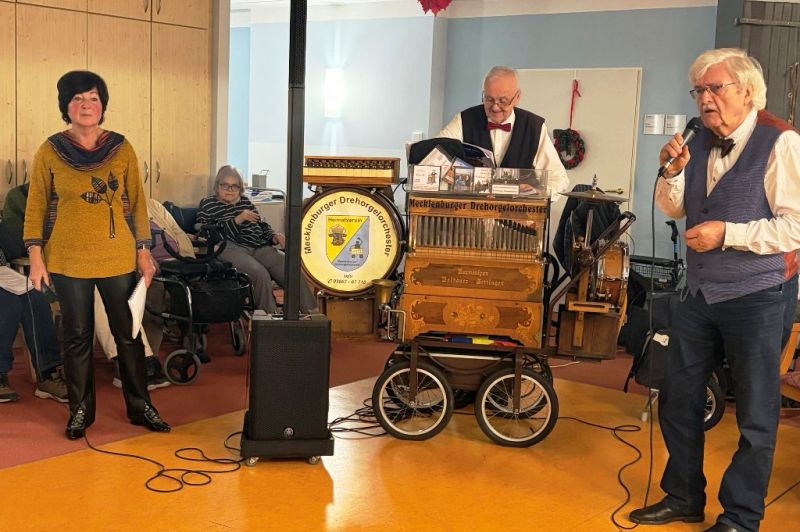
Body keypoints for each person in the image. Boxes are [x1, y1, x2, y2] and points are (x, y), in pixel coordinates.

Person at [630, 48, 800, 532]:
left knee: (755, 412)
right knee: (678, 396)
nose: (705, 99)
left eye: (715, 88)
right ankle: (683, 496)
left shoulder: (782, 142)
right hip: (701, 292)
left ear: (747, 91)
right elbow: (675, 209)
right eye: (699, 90)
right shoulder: (699, 140)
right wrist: (672, 172)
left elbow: (795, 226)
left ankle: (741, 517)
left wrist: (728, 233)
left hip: (759, 295)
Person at [23, 70, 170, 439]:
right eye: (77, 99)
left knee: (128, 334)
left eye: (93, 98)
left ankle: (141, 406)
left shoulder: (121, 147)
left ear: (102, 105)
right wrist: (36, 256)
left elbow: (137, 203)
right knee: (77, 337)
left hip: (117, 257)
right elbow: (36, 206)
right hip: (67, 259)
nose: (86, 105)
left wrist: (143, 250)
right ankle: (80, 412)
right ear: (66, 106)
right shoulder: (50, 150)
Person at [94, 198, 197, 389]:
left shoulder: (151, 205)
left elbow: (178, 233)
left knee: (153, 287)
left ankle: (147, 359)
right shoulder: (101, 206)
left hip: (167, 263)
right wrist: (142, 259)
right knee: (136, 290)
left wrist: (188, 260)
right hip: (116, 267)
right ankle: (130, 361)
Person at [196, 165, 316, 314]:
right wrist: (238, 219)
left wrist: (273, 236)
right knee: (260, 274)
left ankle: (311, 313)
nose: (230, 189)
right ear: (217, 186)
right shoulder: (208, 204)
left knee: (290, 267)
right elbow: (207, 233)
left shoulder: (245, 202)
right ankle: (269, 317)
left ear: (240, 189)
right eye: (225, 185)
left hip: (258, 246)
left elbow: (262, 224)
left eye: (234, 186)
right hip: (228, 247)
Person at [437, 65, 570, 200]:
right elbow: (434, 153)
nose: (495, 107)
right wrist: (449, 173)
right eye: (489, 99)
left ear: (517, 97)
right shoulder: (463, 120)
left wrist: (538, 192)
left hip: (517, 212)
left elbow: (559, 178)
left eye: (503, 101)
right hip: (471, 210)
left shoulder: (534, 127)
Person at [0, 220, 68, 403]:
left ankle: (48, 374)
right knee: (8, 304)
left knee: (35, 298)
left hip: (3, 274)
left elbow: (14, 250)